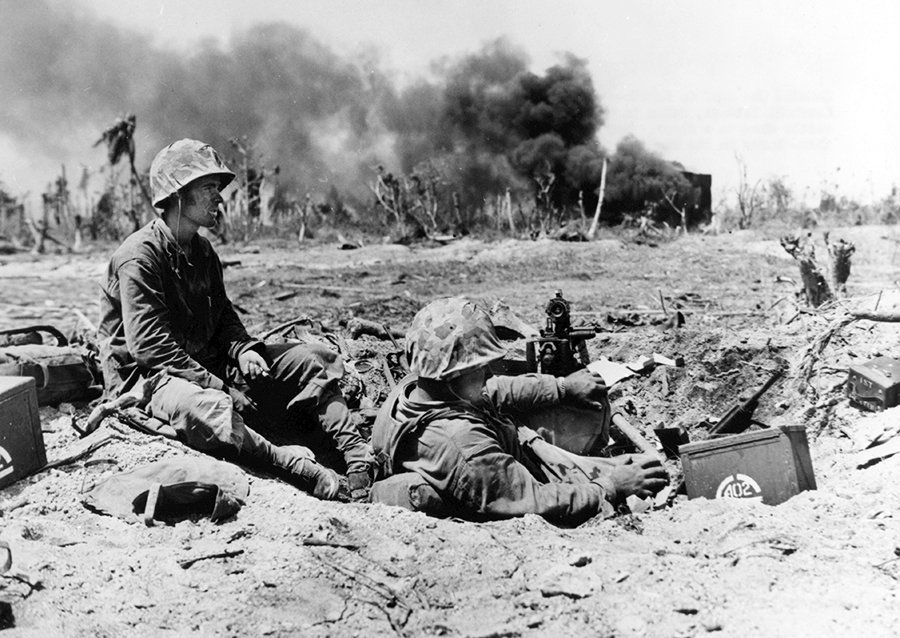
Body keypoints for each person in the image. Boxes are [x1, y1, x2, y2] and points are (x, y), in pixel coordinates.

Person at [98, 139, 372, 500]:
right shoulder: (139, 256)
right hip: (148, 380)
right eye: (208, 187)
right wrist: (221, 388)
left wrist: (243, 349)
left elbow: (223, 315)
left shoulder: (203, 251)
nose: (219, 197)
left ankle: (357, 458)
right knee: (203, 408)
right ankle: (290, 464)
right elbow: (150, 348)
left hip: (205, 365)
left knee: (309, 359)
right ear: (178, 194)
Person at [371, 296, 668, 523]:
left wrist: (562, 387)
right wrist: (609, 487)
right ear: (453, 374)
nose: (489, 374)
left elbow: (496, 389)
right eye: (479, 368)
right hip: (512, 484)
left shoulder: (417, 389)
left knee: (619, 449)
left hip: (507, 455)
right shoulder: (463, 445)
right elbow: (536, 501)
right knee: (644, 477)